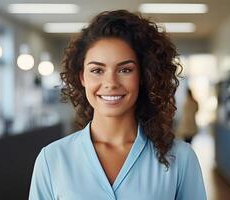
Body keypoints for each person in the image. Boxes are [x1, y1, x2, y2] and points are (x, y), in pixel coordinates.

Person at [29, 10, 206, 200]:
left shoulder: (181, 158)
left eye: (125, 70)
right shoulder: (52, 159)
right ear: (82, 77)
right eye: (97, 70)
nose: (111, 82)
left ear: (143, 76)